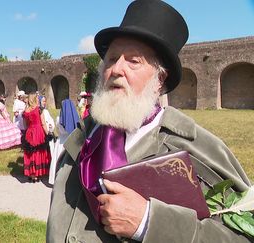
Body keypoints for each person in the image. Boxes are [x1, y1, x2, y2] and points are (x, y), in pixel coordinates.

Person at [47, 1, 251, 242]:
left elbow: (240, 237)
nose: (116, 69)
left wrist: (147, 222)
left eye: (133, 61)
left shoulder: (200, 151)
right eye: (112, 59)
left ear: (159, 79)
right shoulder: (80, 140)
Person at [48, 99, 79, 185]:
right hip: (71, 141)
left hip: (61, 142)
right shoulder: (75, 119)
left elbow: (58, 130)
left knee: (58, 161)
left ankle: (57, 179)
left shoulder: (58, 119)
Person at [22, 93, 51, 183]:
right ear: (35, 99)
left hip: (29, 132)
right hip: (38, 131)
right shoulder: (39, 109)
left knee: (30, 152)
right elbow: (43, 123)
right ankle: (37, 174)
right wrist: (48, 134)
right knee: (38, 152)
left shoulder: (25, 111)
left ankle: (32, 174)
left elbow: (25, 125)